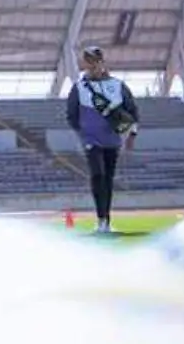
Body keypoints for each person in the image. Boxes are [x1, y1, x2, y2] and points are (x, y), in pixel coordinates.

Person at [65, 46, 140, 234]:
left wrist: (132, 134)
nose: (92, 65)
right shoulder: (79, 87)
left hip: (113, 141)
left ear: (102, 62)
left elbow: (133, 110)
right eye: (88, 61)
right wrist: (83, 133)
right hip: (92, 141)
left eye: (95, 61)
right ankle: (101, 220)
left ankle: (106, 218)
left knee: (108, 179)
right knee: (97, 176)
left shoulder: (118, 85)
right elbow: (71, 114)